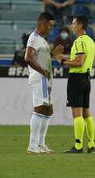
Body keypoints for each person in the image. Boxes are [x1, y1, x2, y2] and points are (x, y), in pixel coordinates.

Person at [55, 15, 95, 154]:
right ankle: (91, 145)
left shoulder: (79, 42)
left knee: (77, 113)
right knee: (86, 113)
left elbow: (79, 62)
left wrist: (62, 60)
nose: (72, 26)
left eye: (73, 23)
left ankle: (78, 146)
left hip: (77, 79)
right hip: (87, 78)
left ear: (79, 25)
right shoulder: (91, 41)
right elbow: (92, 63)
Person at [24, 12, 64, 154]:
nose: (51, 29)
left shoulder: (42, 39)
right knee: (40, 109)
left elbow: (41, 57)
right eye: (50, 25)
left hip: (45, 78)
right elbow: (28, 58)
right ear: (43, 24)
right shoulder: (34, 38)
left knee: (48, 110)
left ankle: (41, 144)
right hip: (39, 77)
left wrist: (53, 53)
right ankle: (32, 146)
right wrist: (42, 71)